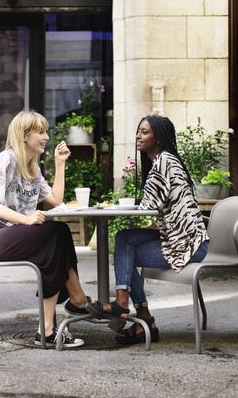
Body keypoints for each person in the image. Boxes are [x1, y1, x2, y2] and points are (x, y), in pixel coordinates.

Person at [0, 110, 91, 349]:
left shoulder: (32, 168)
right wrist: (25, 220)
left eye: (46, 131)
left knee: (58, 235)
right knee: (54, 235)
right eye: (41, 132)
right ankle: (76, 300)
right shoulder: (6, 159)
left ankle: (50, 325)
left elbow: (55, 200)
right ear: (24, 136)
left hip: (9, 234)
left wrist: (59, 164)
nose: (46, 137)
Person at [86, 115, 209, 345]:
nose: (138, 136)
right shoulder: (164, 160)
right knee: (124, 239)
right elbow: (153, 206)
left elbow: (148, 207)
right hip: (178, 237)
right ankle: (141, 318)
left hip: (189, 244)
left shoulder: (164, 162)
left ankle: (125, 306)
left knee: (125, 251)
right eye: (138, 131)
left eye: (144, 132)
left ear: (159, 138)